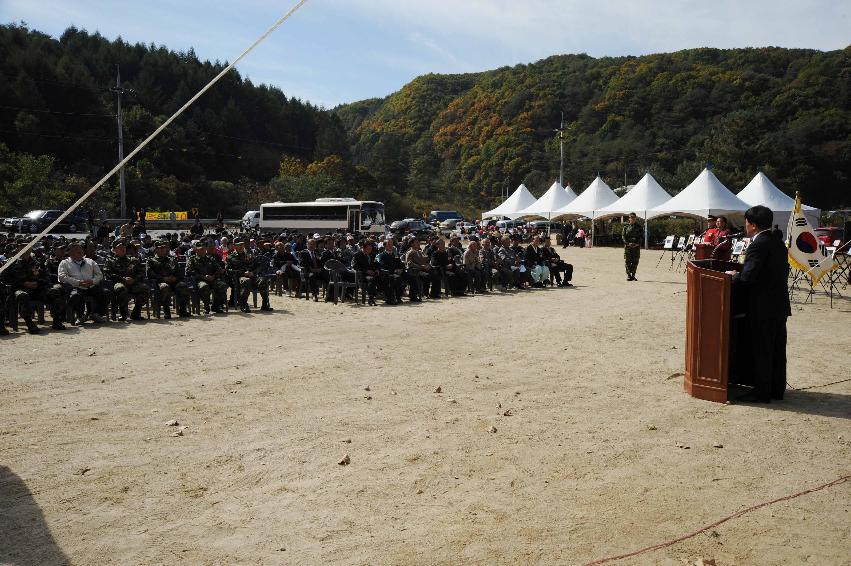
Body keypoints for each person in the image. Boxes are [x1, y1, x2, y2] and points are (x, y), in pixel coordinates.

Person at [725, 205, 791, 403]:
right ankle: (776, 389)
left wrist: (734, 276)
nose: (745, 226)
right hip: (779, 304)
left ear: (752, 225)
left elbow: (748, 277)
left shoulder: (758, 244)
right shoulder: (777, 241)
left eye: (746, 222)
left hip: (762, 307)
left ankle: (762, 392)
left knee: (762, 350)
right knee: (777, 350)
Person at [58, 241, 108, 325]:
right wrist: (78, 282)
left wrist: (92, 281)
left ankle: (96, 314)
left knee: (105, 293)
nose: (80, 252)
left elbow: (99, 275)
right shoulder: (64, 263)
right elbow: (62, 277)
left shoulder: (90, 261)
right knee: (76, 296)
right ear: (70, 253)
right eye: (76, 250)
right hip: (76, 287)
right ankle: (80, 316)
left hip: (91, 286)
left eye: (81, 249)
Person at [104, 239, 149, 321]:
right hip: (119, 282)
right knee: (120, 289)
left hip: (133, 283)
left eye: (124, 247)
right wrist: (123, 279)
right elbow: (108, 274)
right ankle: (123, 314)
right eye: (120, 247)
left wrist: (134, 279)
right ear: (114, 250)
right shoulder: (110, 260)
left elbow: (141, 272)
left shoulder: (132, 259)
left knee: (144, 288)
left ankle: (136, 313)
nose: (123, 249)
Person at [147, 240, 190, 318]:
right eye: (161, 248)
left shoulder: (171, 259)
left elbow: (179, 272)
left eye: (164, 248)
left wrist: (175, 278)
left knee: (183, 286)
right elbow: (150, 274)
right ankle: (167, 311)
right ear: (156, 249)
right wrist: (163, 278)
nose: (163, 249)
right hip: (160, 282)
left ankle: (182, 310)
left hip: (173, 282)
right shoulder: (151, 261)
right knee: (165, 287)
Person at [186, 240, 228, 313]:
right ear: (196, 250)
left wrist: (213, 276)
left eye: (203, 249)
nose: (202, 251)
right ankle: (206, 306)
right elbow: (189, 272)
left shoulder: (210, 259)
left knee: (222, 285)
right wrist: (203, 277)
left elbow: (219, 269)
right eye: (200, 249)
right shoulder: (192, 260)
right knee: (204, 286)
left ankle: (216, 305)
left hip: (212, 279)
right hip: (199, 280)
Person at [622, 212, 643, 281]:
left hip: (636, 247)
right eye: (631, 217)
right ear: (629, 218)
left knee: (635, 261)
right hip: (628, 247)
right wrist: (627, 243)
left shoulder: (639, 227)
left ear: (635, 218)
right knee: (627, 261)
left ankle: (633, 275)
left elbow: (641, 237)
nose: (632, 219)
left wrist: (637, 244)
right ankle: (628, 275)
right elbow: (623, 236)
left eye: (634, 217)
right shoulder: (625, 227)